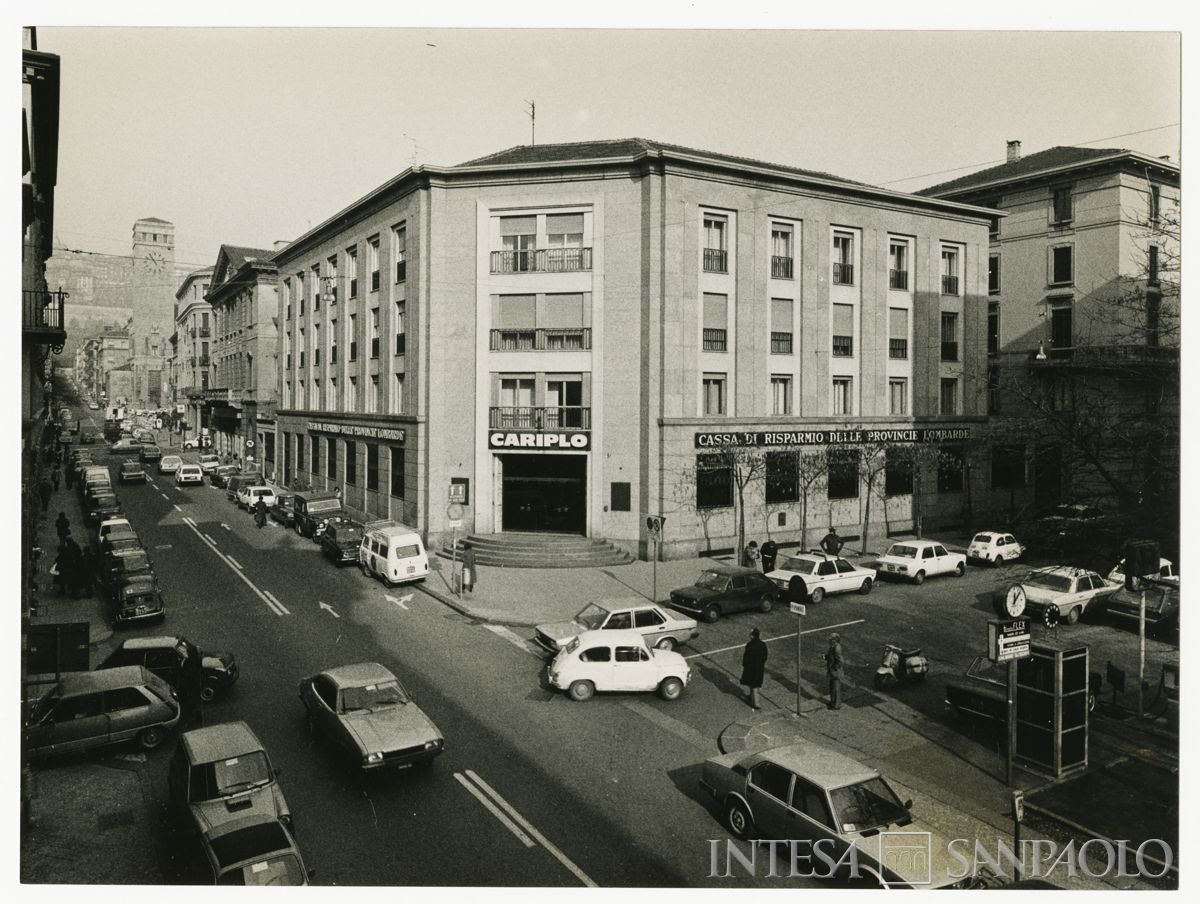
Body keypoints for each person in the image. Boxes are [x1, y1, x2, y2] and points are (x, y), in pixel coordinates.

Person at [177, 640, 204, 726]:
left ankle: (195, 717)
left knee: (193, 700)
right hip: (192, 684)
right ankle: (192, 714)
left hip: (191, 684)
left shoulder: (190, 662)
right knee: (193, 701)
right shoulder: (194, 660)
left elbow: (188, 674)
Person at [740, 628, 769, 709]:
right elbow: (765, 656)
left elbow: (746, 657)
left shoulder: (749, 645)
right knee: (755, 682)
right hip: (759, 667)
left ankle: (756, 703)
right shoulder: (763, 644)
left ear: (752, 636)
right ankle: (751, 696)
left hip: (750, 668)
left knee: (753, 684)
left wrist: (745, 665)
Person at [824, 633, 845, 710]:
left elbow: (840, 661)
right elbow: (832, 657)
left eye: (831, 640)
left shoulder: (837, 648)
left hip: (835, 672)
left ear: (834, 640)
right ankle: (833, 702)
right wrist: (826, 657)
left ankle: (836, 705)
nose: (829, 641)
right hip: (833, 671)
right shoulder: (833, 646)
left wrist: (834, 667)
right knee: (832, 688)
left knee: (835, 689)